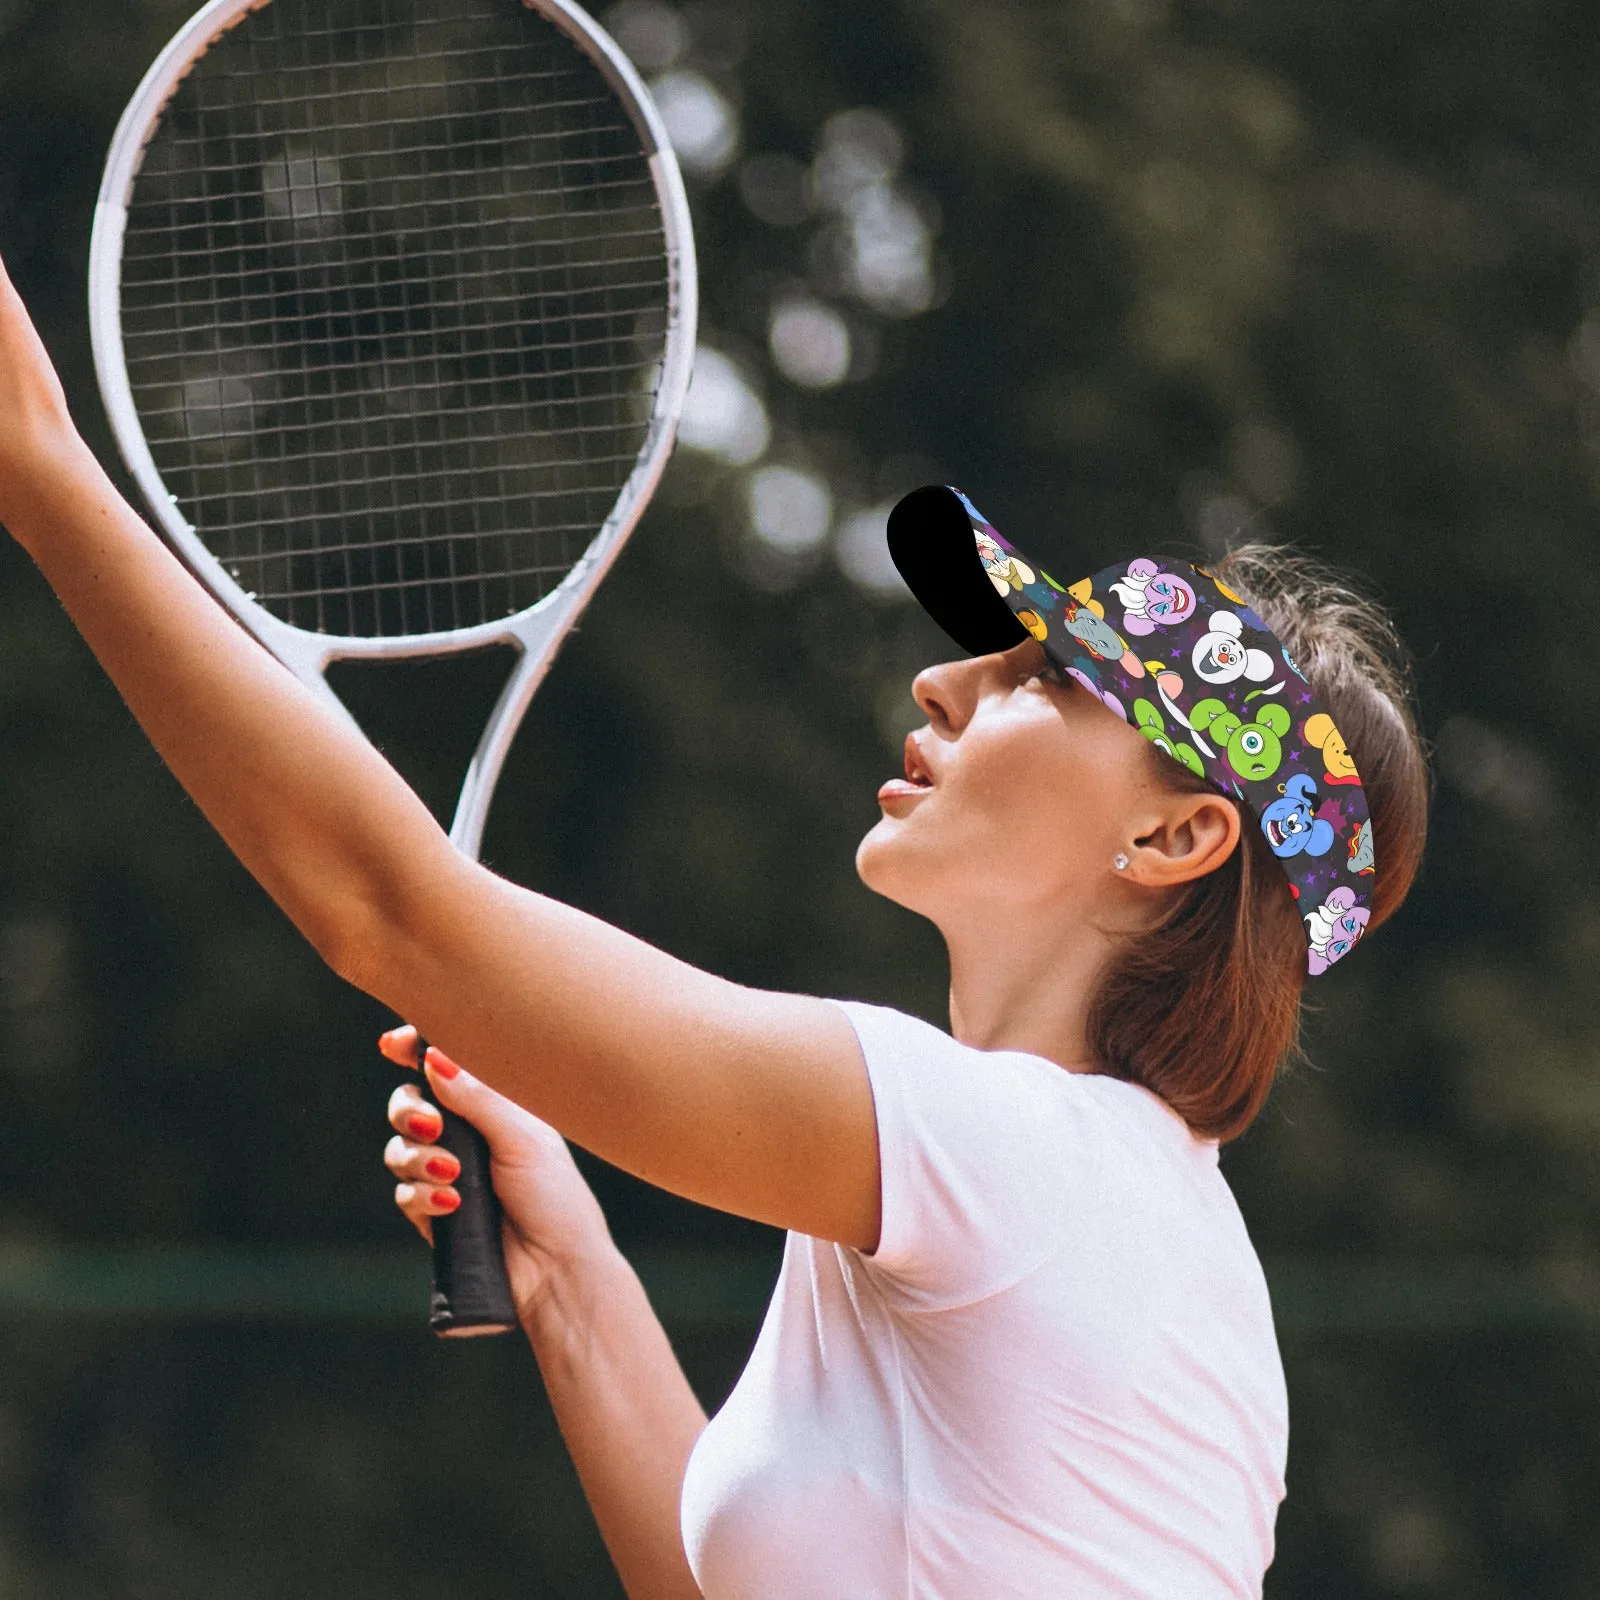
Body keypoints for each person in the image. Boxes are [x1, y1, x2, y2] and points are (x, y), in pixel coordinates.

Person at [0, 252, 1427, 1599]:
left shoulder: (1007, 1160)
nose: (943, 688)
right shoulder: (1072, 1202)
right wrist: (572, 1282)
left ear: (1176, 838)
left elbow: (389, 911)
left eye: (1043, 682)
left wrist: (43, 468)